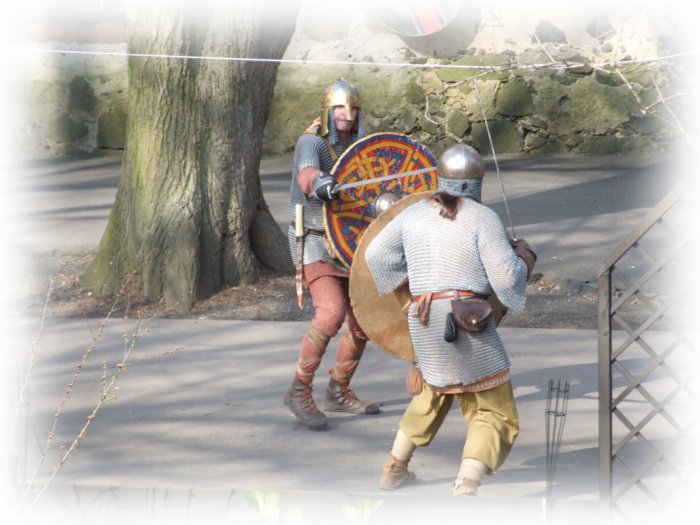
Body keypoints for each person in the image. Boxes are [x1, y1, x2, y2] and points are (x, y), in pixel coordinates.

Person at [364, 143, 536, 495]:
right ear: (476, 181)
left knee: (433, 393)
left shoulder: (413, 214)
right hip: (468, 322)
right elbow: (505, 277)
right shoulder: (482, 217)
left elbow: (376, 254)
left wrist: (416, 278)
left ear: (440, 177)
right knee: (494, 410)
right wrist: (524, 259)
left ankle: (394, 468)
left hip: (425, 319)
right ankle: (466, 484)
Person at [283, 78, 380, 430]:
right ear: (328, 109)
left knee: (363, 320)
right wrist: (318, 182)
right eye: (339, 107)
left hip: (350, 244)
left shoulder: (361, 145)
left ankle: (338, 391)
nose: (346, 114)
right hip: (313, 240)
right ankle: (299, 390)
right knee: (331, 312)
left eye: (352, 108)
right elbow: (307, 173)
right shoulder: (312, 141)